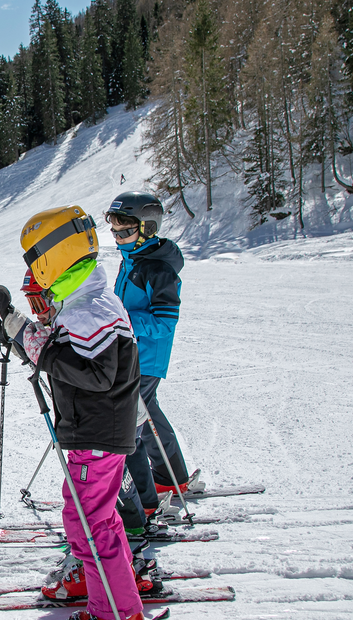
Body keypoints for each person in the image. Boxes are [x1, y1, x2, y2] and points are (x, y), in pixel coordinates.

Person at [0, 205, 145, 620]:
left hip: (96, 434)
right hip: (96, 432)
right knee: (83, 513)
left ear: (52, 256)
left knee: (92, 522)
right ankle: (98, 583)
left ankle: (116, 610)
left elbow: (95, 374)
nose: (32, 267)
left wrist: (30, 340)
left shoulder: (87, 309)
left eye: (33, 257)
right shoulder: (85, 298)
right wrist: (25, 335)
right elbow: (71, 357)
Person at [104, 192, 199, 499]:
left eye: (125, 231)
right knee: (150, 416)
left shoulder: (157, 269)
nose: (119, 238)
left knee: (130, 424)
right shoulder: (131, 260)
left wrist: (126, 321)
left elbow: (165, 323)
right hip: (131, 355)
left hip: (146, 358)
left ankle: (140, 497)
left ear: (146, 228)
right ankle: (172, 478)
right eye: (115, 231)